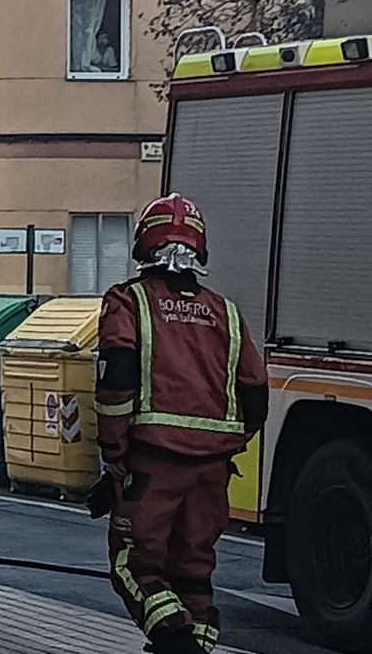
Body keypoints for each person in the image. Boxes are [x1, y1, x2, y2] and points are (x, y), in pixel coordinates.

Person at [94, 194, 268, 654]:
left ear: (143, 245)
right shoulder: (227, 313)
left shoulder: (128, 302)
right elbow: (256, 395)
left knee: (135, 567)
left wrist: (114, 459)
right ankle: (198, 643)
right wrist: (223, 446)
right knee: (192, 570)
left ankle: (175, 643)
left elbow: (115, 384)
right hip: (212, 469)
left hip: (151, 464)